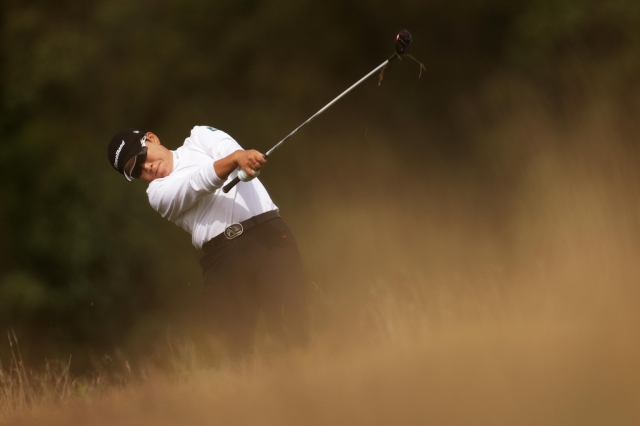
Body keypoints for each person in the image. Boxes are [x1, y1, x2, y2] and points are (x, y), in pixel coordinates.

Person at [107, 126, 308, 356]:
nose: (147, 167)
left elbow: (229, 149)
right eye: (136, 171)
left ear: (151, 138)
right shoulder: (157, 194)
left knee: (292, 332)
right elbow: (196, 183)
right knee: (231, 353)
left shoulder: (199, 136)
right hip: (223, 260)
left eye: (141, 157)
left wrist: (241, 158)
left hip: (268, 235)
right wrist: (235, 160)